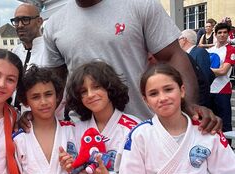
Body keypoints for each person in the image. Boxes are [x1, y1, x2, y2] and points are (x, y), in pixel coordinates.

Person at [42, 0, 220, 133]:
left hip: (143, 129)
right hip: (86, 134)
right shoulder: (54, 24)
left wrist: (188, 104)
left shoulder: (139, 4)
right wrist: (35, 116)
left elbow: (173, 55)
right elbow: (52, 82)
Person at [118, 63, 235, 174]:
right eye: (153, 93)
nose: (163, 98)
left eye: (168, 89)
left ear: (182, 90)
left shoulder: (206, 131)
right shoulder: (140, 135)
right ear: (145, 100)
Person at [60, 61, 140, 174]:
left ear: (109, 88)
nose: (90, 94)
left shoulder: (135, 128)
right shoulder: (77, 129)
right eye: (83, 91)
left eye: (96, 87)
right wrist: (71, 168)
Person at [13, 65, 90, 174]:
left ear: (57, 96)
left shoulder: (72, 130)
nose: (43, 102)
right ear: (26, 101)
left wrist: (73, 169)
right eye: (35, 97)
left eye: (48, 94)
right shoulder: (19, 138)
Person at [207, 23, 235, 134]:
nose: (222, 35)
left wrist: (206, 71)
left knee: (225, 124)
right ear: (215, 34)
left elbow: (223, 71)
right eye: (219, 32)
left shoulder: (231, 50)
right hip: (209, 90)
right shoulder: (209, 50)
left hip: (222, 90)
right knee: (210, 123)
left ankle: (227, 149)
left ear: (228, 34)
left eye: (225, 32)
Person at [178, 29, 213, 109]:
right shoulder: (185, 55)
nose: (177, 42)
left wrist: (200, 103)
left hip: (198, 102)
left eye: (178, 39)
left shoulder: (200, 52)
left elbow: (205, 77)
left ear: (184, 39)